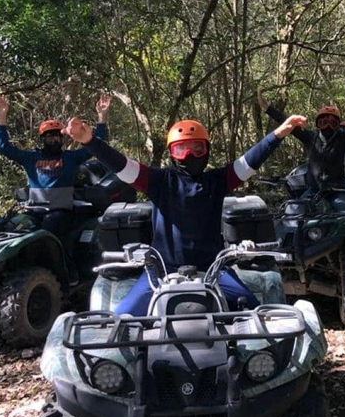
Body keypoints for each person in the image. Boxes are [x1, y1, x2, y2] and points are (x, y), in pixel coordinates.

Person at [64, 113, 306, 316]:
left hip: (214, 269)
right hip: (161, 271)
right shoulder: (159, 180)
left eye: (196, 148)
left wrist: (278, 134)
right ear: (172, 153)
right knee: (122, 318)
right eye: (182, 150)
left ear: (206, 150)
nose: (189, 156)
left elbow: (249, 161)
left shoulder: (218, 180)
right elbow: (122, 165)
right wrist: (90, 141)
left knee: (252, 311)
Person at [0, 94, 111, 283]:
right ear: (43, 139)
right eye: (49, 136)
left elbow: (96, 145)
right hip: (33, 211)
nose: (54, 139)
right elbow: (4, 147)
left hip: (60, 213)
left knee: (51, 234)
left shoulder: (70, 158)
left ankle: (67, 275)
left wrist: (102, 118)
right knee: (11, 227)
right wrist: (2, 117)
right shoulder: (31, 158)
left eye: (57, 136)